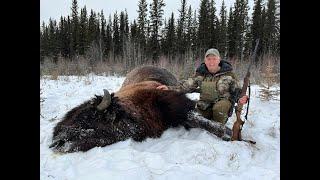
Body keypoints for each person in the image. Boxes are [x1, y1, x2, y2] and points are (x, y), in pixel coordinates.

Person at [156, 48, 248, 125]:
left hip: (222, 105)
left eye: (214, 59)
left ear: (219, 60)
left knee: (219, 108)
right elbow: (186, 86)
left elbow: (237, 90)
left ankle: (219, 124)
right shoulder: (200, 74)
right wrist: (169, 88)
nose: (211, 62)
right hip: (205, 104)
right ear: (205, 61)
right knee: (192, 118)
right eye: (208, 59)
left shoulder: (229, 74)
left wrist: (241, 98)